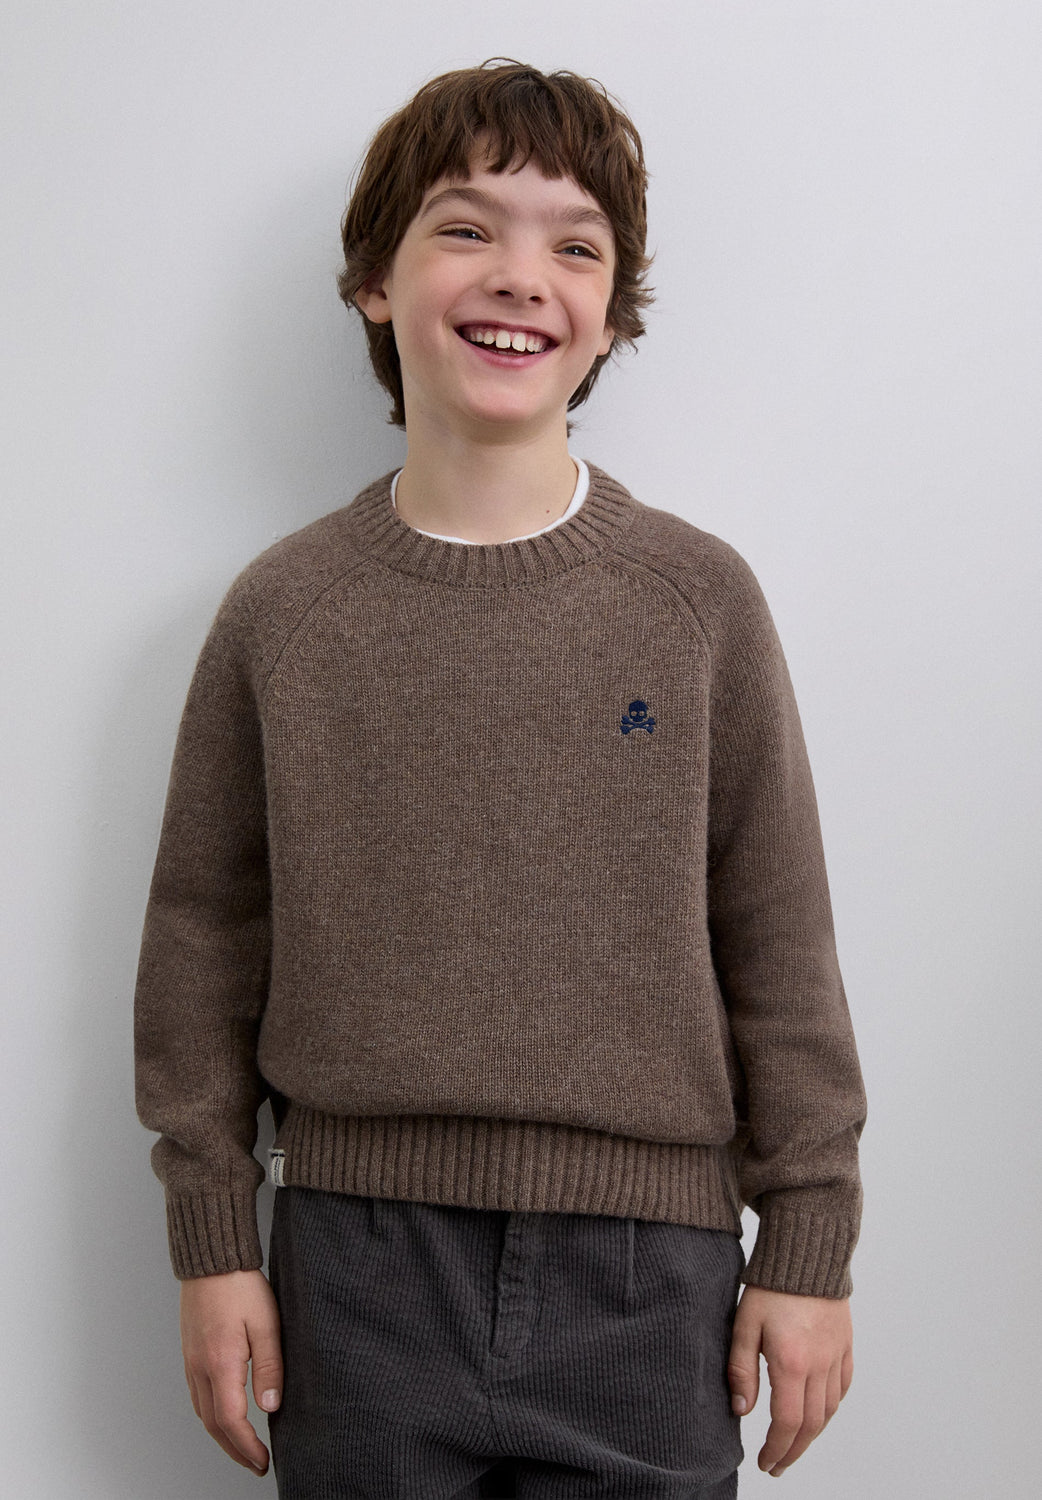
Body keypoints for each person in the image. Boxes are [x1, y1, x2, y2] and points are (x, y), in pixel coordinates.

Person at [134, 59, 867, 1499]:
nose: (522, 275)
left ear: (611, 316)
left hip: (651, 1282)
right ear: (374, 281)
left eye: (574, 246)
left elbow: (777, 940)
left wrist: (809, 1242)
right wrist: (212, 1236)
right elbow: (203, 938)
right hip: (354, 1265)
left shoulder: (696, 602)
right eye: (466, 228)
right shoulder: (286, 612)